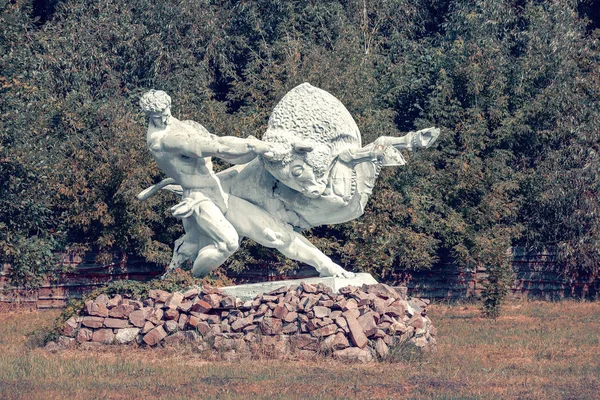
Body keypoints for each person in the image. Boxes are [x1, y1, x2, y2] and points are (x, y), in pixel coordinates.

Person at [139, 90, 355, 278]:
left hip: (218, 190)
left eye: (167, 110)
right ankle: (188, 280)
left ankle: (326, 266)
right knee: (228, 243)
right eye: (159, 115)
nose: (165, 117)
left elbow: (222, 144)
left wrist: (256, 149)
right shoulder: (164, 140)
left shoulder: (182, 125)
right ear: (150, 115)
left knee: (276, 234)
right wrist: (255, 145)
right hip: (199, 198)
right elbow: (218, 147)